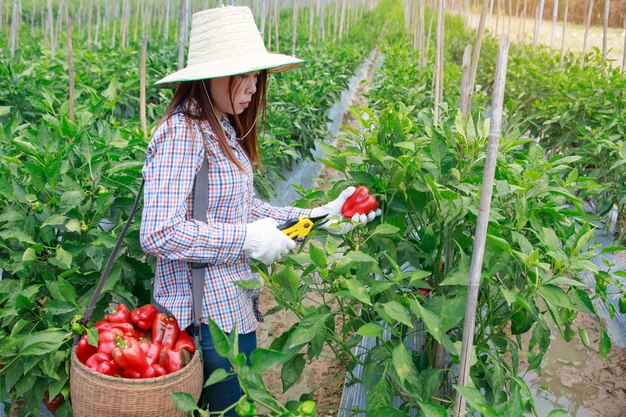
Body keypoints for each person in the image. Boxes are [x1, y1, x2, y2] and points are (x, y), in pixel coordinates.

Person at [139, 6, 380, 415]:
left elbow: (245, 208)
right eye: (244, 74)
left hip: (232, 313)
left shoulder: (221, 126)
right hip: (204, 326)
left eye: (256, 74)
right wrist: (248, 239)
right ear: (210, 76)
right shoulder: (183, 131)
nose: (253, 86)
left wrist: (321, 215)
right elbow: (158, 232)